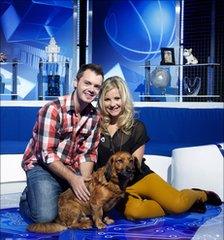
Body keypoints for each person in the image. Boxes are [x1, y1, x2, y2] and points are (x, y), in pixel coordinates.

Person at [96, 76, 222, 220]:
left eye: (117, 98)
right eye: (107, 99)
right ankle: (175, 205)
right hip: (115, 187)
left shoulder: (137, 127)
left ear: (124, 99)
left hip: (140, 178)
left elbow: (134, 165)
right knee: (133, 213)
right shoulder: (96, 128)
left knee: (178, 205)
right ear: (102, 101)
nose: (113, 104)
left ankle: (200, 194)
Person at [19, 63, 104, 223]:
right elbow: (46, 154)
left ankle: (49, 194)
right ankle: (28, 198)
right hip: (42, 167)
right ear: (75, 82)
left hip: (71, 169)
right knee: (45, 217)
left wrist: (82, 183)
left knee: (82, 209)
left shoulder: (95, 117)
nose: (91, 89)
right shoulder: (53, 110)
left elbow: (88, 153)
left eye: (96, 86)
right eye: (87, 83)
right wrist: (73, 179)